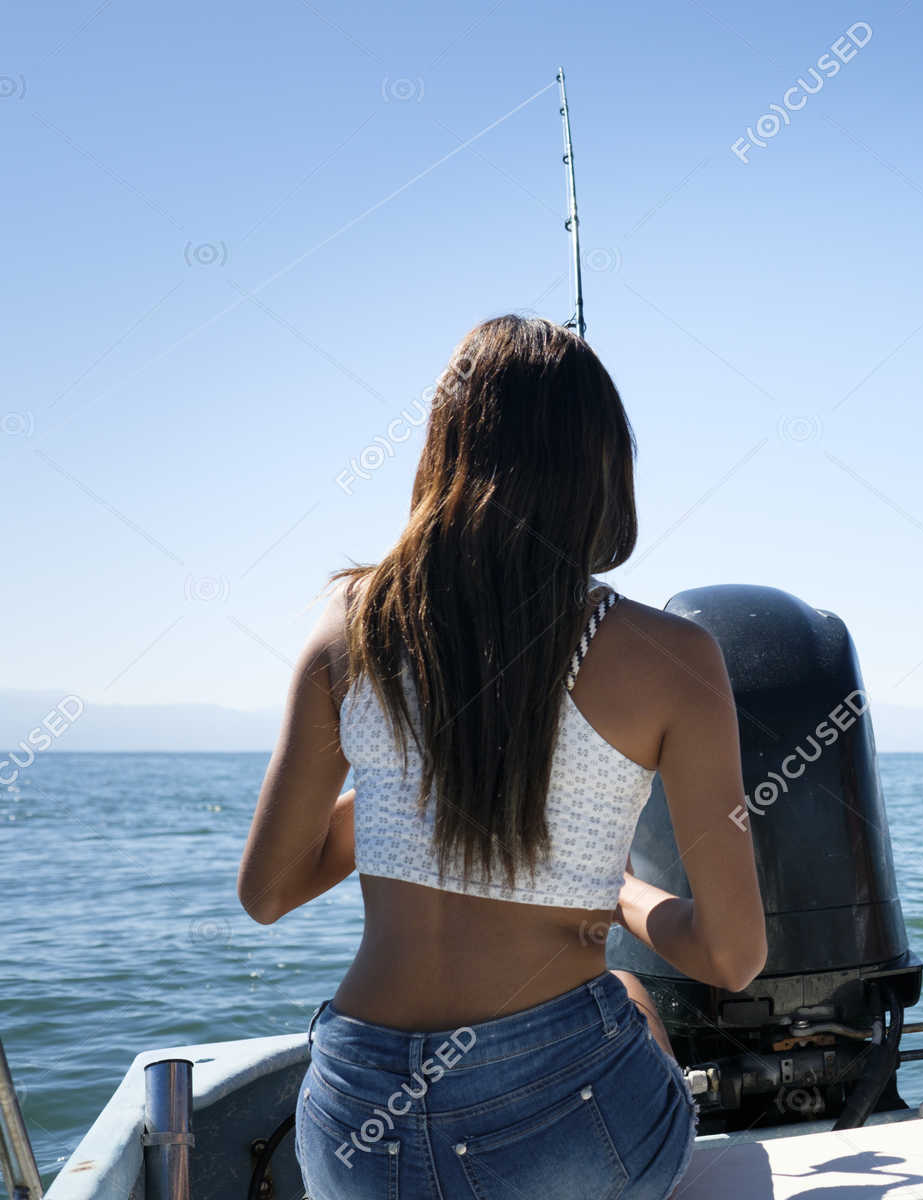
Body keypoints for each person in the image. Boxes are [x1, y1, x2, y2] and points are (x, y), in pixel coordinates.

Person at [237, 315, 765, 1199]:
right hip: (559, 1120)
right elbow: (731, 954)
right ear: (600, 466)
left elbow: (268, 890)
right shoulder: (674, 657)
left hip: (361, 1120)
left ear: (442, 449)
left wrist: (416, 773)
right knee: (633, 1002)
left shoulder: (348, 622)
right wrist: (626, 894)